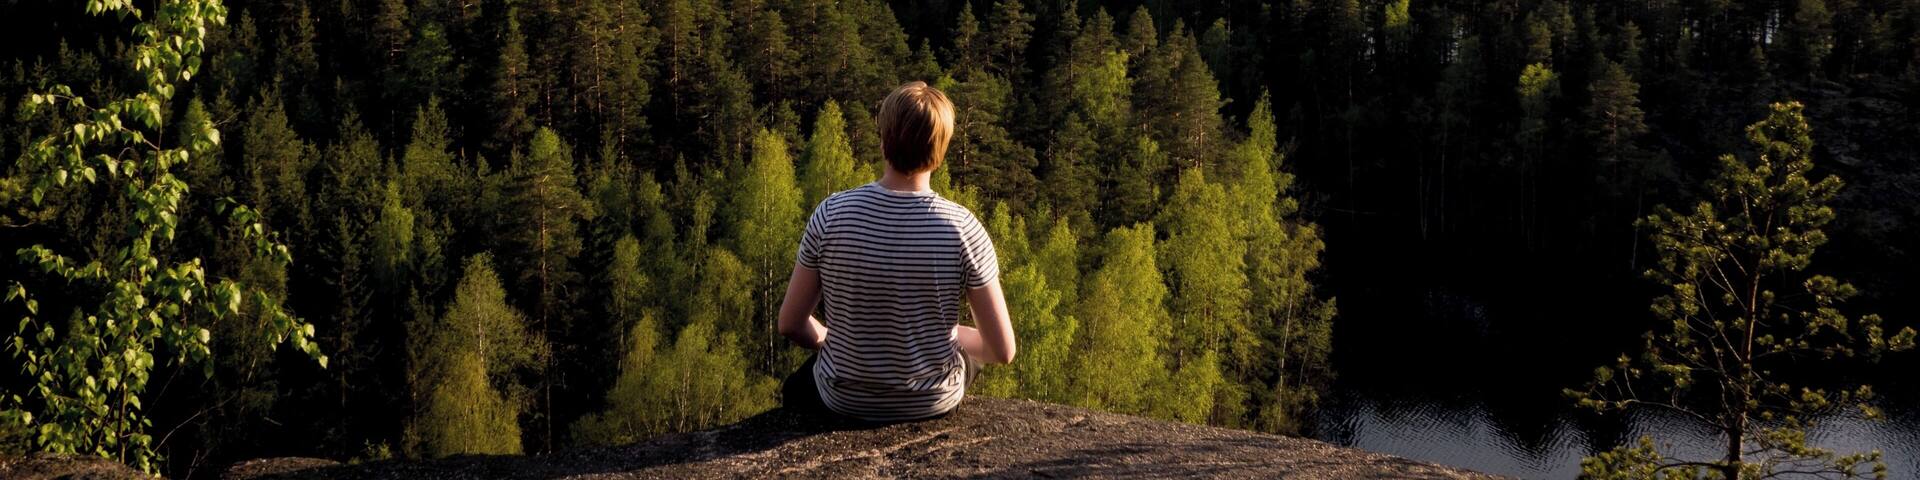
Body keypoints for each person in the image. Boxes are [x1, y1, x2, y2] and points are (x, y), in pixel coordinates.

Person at [775, 81, 1016, 422]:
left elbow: (790, 324)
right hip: (932, 402)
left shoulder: (830, 214)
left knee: (796, 387)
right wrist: (950, 335)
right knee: (969, 358)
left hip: (842, 400)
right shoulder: (963, 228)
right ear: (941, 149)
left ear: (884, 139)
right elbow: (1002, 351)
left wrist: (836, 339)